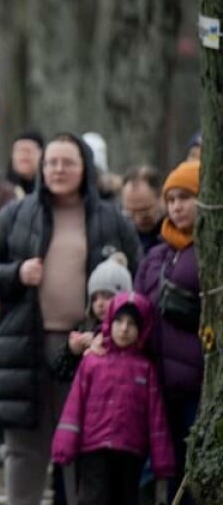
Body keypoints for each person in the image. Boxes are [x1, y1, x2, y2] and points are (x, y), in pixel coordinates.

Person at [0, 132, 141, 505]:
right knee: (25, 450)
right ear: (41, 167)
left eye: (68, 162)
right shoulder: (17, 214)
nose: (59, 170)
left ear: (85, 169)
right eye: (52, 162)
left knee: (85, 450)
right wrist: (15, 274)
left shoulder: (111, 218)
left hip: (91, 350)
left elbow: (138, 281)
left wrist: (109, 331)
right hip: (25, 346)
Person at [51, 292, 174, 505]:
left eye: (132, 323)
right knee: (93, 499)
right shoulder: (92, 362)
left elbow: (156, 420)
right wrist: (65, 443)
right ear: (109, 322)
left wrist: (162, 460)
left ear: (142, 329)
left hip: (130, 453)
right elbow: (75, 406)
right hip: (94, 450)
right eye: (119, 321)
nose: (124, 329)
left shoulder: (146, 369)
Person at [133, 160, 203, 505]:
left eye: (186, 197)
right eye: (171, 198)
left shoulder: (209, 252)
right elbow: (137, 308)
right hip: (156, 384)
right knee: (161, 470)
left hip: (197, 386)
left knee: (195, 473)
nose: (176, 206)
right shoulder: (156, 254)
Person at [48, 253, 132, 382]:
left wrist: (102, 343)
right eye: (94, 298)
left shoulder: (130, 330)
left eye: (107, 296)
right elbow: (59, 373)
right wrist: (71, 351)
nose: (100, 303)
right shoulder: (86, 327)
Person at [122, 165, 165, 254]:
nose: (138, 220)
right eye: (131, 213)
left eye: (144, 211)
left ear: (160, 197)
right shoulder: (120, 235)